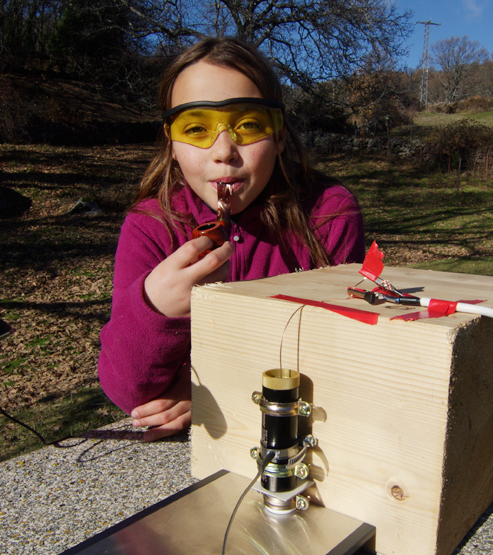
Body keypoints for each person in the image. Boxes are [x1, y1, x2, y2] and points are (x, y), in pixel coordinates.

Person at [98, 37, 365, 441]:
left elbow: (346, 356)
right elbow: (132, 396)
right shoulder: (150, 226)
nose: (224, 150)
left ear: (278, 136)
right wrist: (155, 307)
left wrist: (215, 390)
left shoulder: (328, 214)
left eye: (248, 125)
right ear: (172, 144)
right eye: (196, 128)